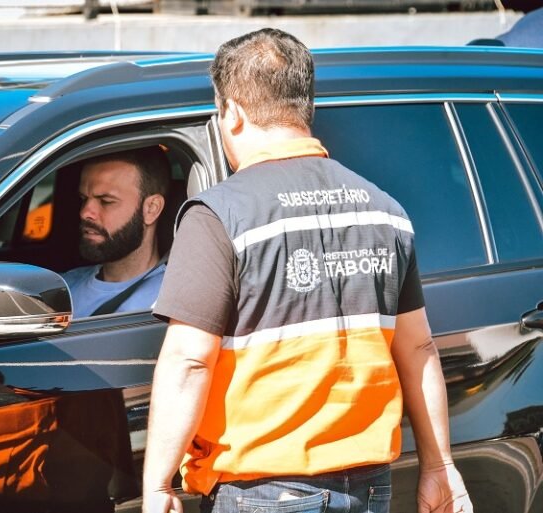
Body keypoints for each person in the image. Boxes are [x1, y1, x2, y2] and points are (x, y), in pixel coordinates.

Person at [143, 29, 473, 513]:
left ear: (232, 112)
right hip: (370, 485)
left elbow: (190, 361)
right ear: (304, 106)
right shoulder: (383, 211)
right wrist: (439, 466)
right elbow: (419, 348)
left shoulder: (220, 216)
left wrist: (157, 484)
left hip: (264, 490)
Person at [63, 147, 171, 318]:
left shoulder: (173, 303)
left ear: (151, 209)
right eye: (83, 199)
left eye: (106, 201)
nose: (85, 213)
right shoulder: (63, 287)